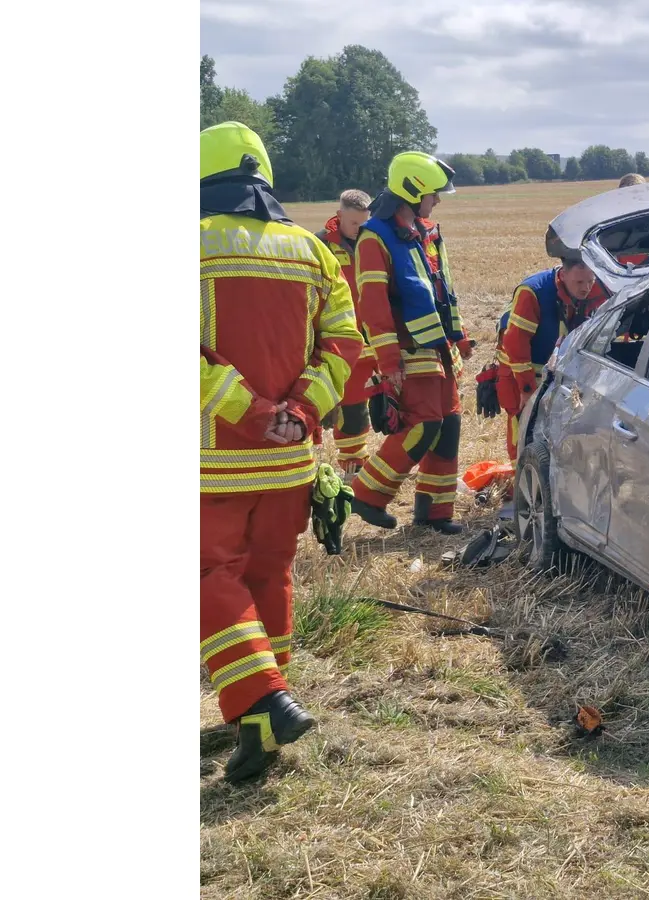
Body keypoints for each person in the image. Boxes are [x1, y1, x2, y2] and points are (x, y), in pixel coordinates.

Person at [200, 121, 363, 782]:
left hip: (209, 460)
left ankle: (261, 699)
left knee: (206, 578)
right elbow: (346, 344)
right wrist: (298, 411)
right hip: (291, 462)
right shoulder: (312, 252)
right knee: (269, 578)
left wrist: (249, 411)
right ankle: (260, 729)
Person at [348, 152, 474, 535]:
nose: (437, 201)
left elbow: (443, 290)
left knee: (448, 426)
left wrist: (460, 336)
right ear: (413, 190)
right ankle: (366, 495)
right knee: (423, 427)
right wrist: (388, 360)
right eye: (434, 194)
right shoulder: (376, 237)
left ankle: (435, 513)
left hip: (439, 347)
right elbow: (372, 303)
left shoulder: (428, 232)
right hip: (406, 351)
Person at [491, 258, 609, 458]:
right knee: (523, 430)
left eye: (590, 281)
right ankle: (520, 479)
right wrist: (526, 389)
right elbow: (515, 344)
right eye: (579, 283)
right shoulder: (534, 292)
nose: (586, 288)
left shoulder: (597, 289)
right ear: (563, 275)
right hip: (518, 373)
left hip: (556, 374)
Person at [316, 190, 375, 475]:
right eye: (354, 224)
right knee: (351, 409)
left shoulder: (376, 243)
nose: (360, 231)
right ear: (338, 217)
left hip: (377, 338)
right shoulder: (320, 246)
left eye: (365, 224)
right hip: (342, 342)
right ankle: (353, 471)